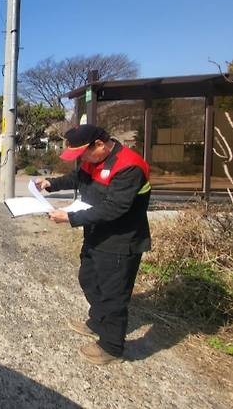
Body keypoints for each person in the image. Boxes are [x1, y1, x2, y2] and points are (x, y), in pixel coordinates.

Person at [35, 124, 151, 365]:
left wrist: (70, 217)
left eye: (81, 154)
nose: (80, 160)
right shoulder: (93, 160)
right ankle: (97, 322)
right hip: (96, 234)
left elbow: (114, 208)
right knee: (89, 279)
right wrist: (51, 183)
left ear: (99, 144)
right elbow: (79, 178)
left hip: (121, 240)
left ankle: (111, 347)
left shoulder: (129, 166)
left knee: (114, 294)